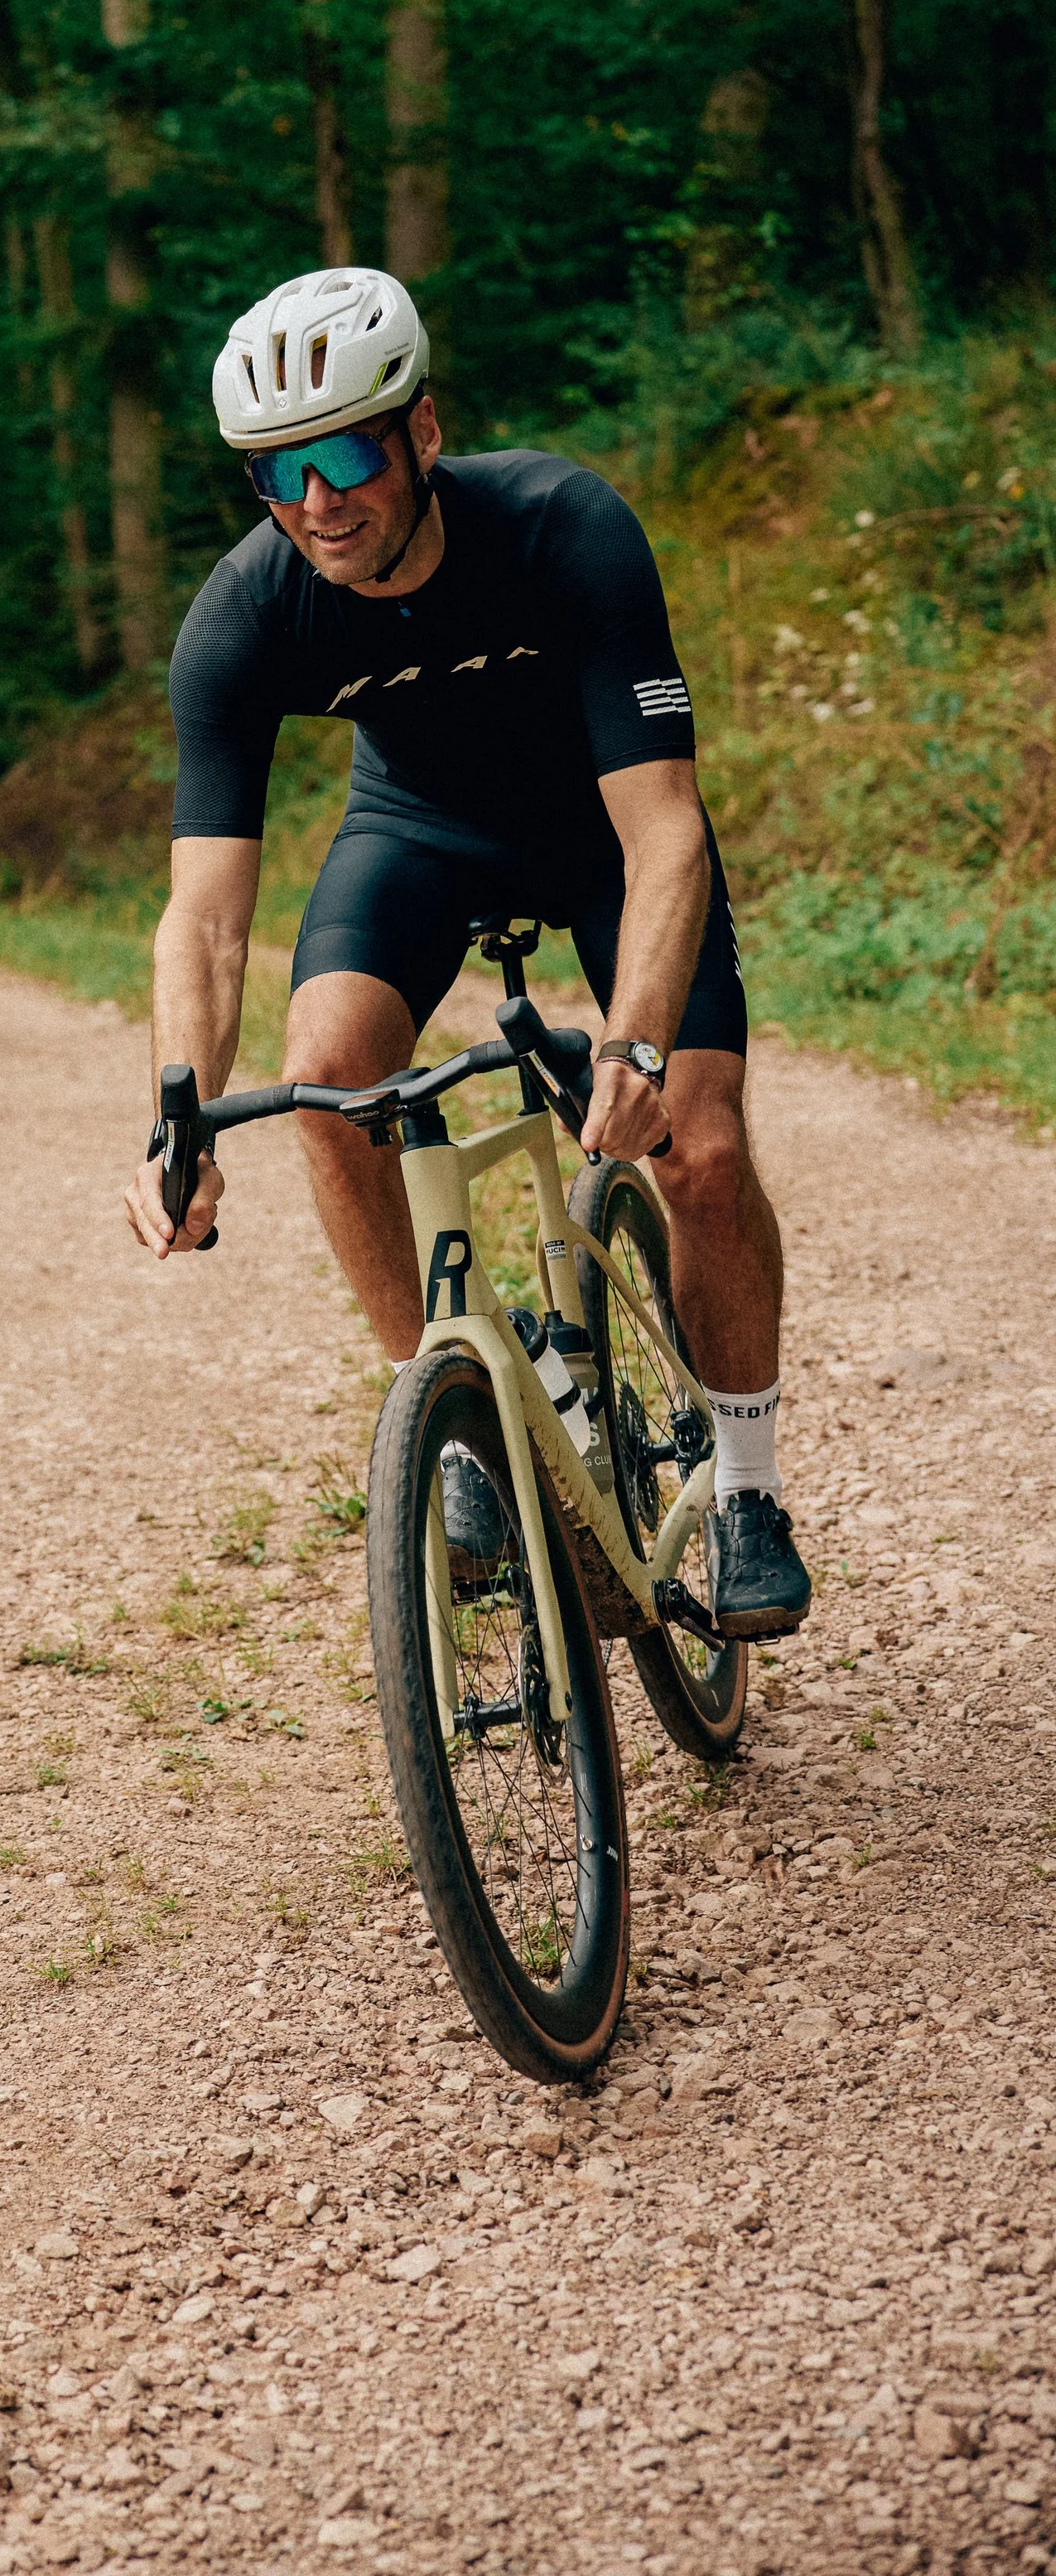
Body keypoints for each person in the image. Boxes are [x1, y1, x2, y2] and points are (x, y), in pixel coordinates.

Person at [121, 264, 808, 1641]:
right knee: (330, 1083)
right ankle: (449, 1432)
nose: (317, 501)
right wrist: (176, 1117)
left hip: (608, 833)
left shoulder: (566, 529)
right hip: (420, 832)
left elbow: (666, 833)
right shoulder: (246, 616)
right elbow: (204, 915)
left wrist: (637, 1044)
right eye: (276, 470)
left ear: (420, 434)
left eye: (344, 453)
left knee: (707, 1151)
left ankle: (745, 1488)